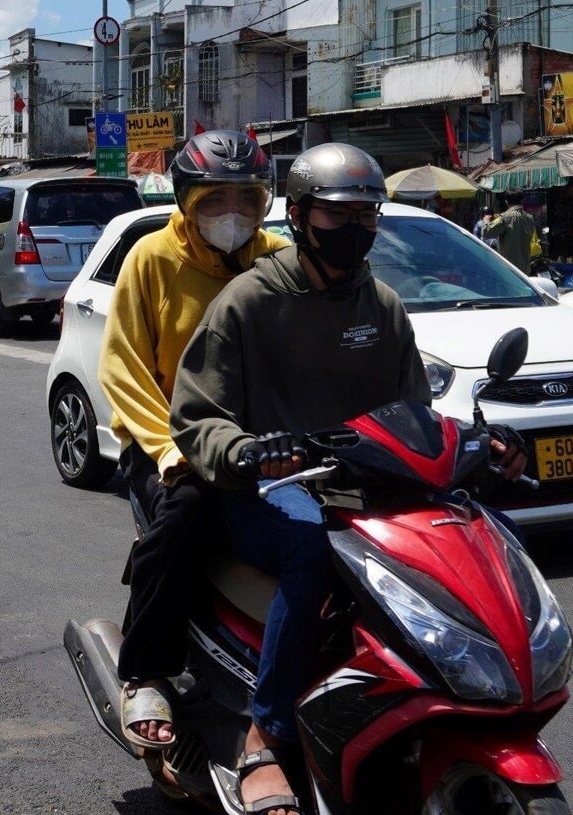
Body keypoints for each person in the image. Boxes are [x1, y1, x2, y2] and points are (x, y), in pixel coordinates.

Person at [170, 143, 523, 813]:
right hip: (267, 492)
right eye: (339, 215)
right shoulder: (248, 302)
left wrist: (482, 446)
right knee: (310, 549)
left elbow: (414, 411)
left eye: (368, 216)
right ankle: (263, 733)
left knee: (483, 531)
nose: (356, 231)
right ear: (299, 216)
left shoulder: (382, 305)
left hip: (361, 485)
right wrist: (247, 451)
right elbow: (196, 417)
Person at [97, 129, 287, 752]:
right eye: (215, 199)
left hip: (261, 447)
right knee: (185, 518)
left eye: (245, 198)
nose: (231, 212)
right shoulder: (151, 259)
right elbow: (123, 366)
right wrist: (169, 451)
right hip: (171, 446)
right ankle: (145, 669)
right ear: (186, 200)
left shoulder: (280, 259)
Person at [487, 194, 536, 272]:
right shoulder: (529, 218)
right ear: (522, 201)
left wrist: (487, 218)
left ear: (506, 202)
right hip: (524, 269)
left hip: (508, 270)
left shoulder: (504, 217)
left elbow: (487, 231)